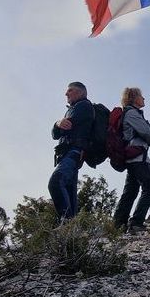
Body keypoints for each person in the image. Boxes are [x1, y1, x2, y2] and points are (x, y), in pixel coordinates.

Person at [112, 87, 150, 233]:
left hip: (132, 158)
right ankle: (136, 222)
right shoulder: (132, 113)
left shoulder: (130, 113)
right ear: (134, 98)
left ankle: (118, 225)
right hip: (138, 158)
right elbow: (147, 134)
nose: (144, 99)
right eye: (141, 96)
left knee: (130, 192)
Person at [49, 81, 93, 221]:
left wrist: (59, 125)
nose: (66, 93)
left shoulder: (83, 106)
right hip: (69, 154)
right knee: (68, 190)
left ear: (81, 92)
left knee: (55, 183)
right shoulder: (74, 108)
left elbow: (62, 130)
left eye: (70, 90)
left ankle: (66, 223)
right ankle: (72, 231)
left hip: (73, 152)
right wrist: (57, 123)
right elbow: (55, 134)